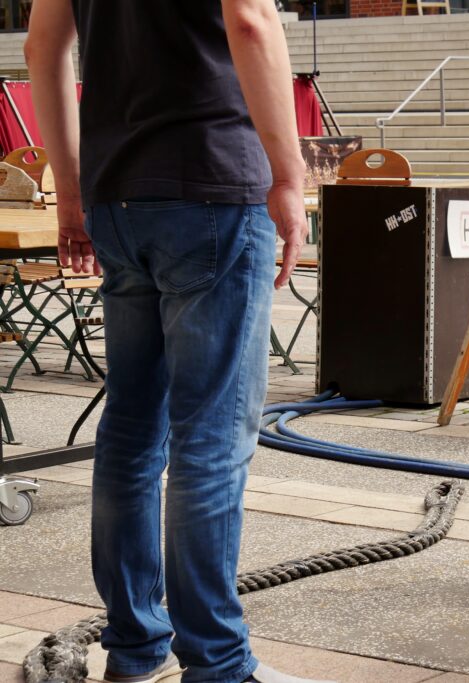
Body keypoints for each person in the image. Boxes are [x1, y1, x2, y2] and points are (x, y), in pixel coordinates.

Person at [25, 2, 330, 682]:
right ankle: (218, 662)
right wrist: (287, 174)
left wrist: (70, 193)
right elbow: (251, 20)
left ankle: (135, 650)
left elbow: (42, 47)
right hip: (212, 184)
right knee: (210, 441)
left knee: (131, 433)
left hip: (117, 196)